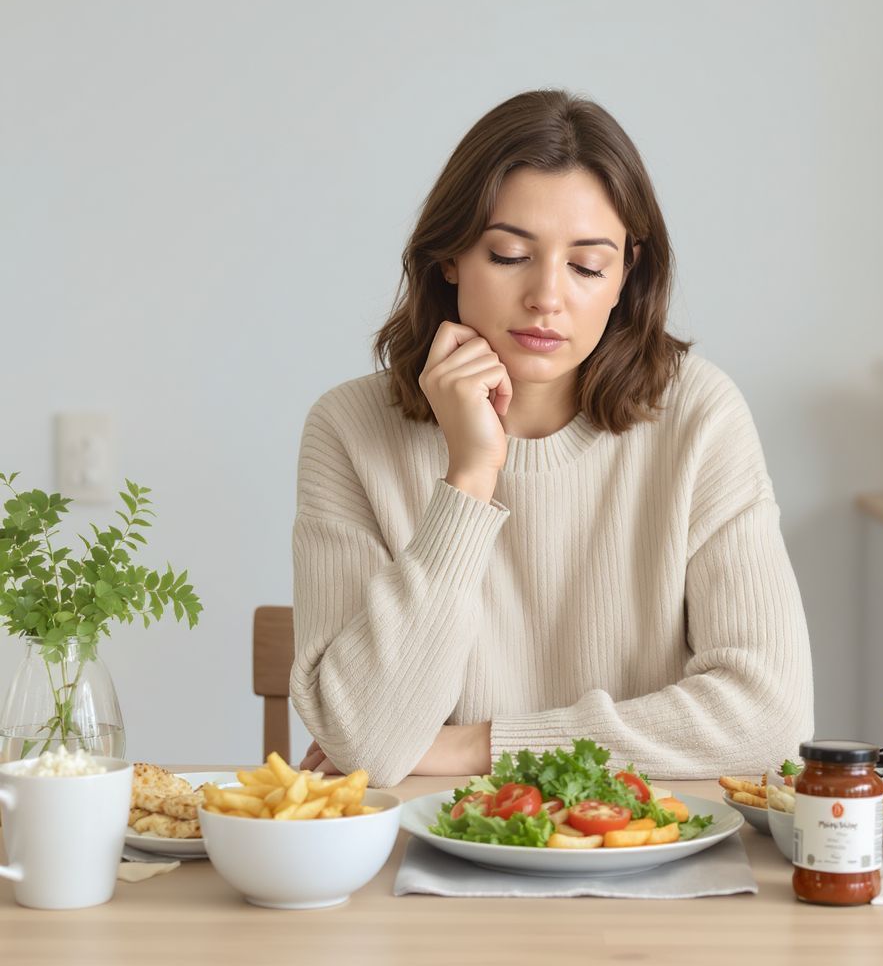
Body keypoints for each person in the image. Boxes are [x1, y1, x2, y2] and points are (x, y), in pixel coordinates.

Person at [291, 89, 814, 787]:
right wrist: (470, 477)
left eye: (587, 266)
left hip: (647, 840)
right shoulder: (349, 429)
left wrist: (482, 747)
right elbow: (368, 743)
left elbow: (771, 718)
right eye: (509, 254)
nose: (546, 295)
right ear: (449, 257)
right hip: (425, 844)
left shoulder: (699, 415)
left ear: (626, 274)